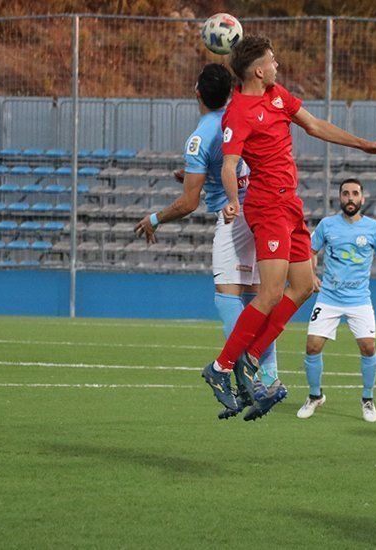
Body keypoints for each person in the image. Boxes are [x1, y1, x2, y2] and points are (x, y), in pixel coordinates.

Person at [200, 35, 376, 418]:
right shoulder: (237, 111)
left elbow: (315, 125)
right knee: (270, 292)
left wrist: (362, 144)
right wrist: (234, 201)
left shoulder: (277, 95)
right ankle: (221, 367)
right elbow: (228, 164)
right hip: (267, 207)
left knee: (304, 286)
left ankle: (251, 357)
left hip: (290, 206)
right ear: (258, 70)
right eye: (272, 61)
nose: (277, 66)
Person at [133, 64, 278, 420]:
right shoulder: (240, 114)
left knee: (228, 297)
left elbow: (188, 202)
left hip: (235, 218)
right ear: (230, 91)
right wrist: (200, 175)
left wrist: (154, 219)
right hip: (262, 211)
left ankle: (245, 377)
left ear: (196, 92)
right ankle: (269, 377)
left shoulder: (199, 136)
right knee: (259, 299)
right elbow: (235, 162)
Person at [296, 178, 376, 423]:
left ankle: (368, 398)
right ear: (339, 197)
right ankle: (314, 395)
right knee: (312, 346)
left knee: (368, 347)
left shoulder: (374, 228)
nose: (350, 198)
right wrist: (311, 275)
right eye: (345, 194)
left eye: (354, 193)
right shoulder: (327, 225)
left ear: (363, 197)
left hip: (359, 299)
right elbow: (310, 251)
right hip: (329, 297)